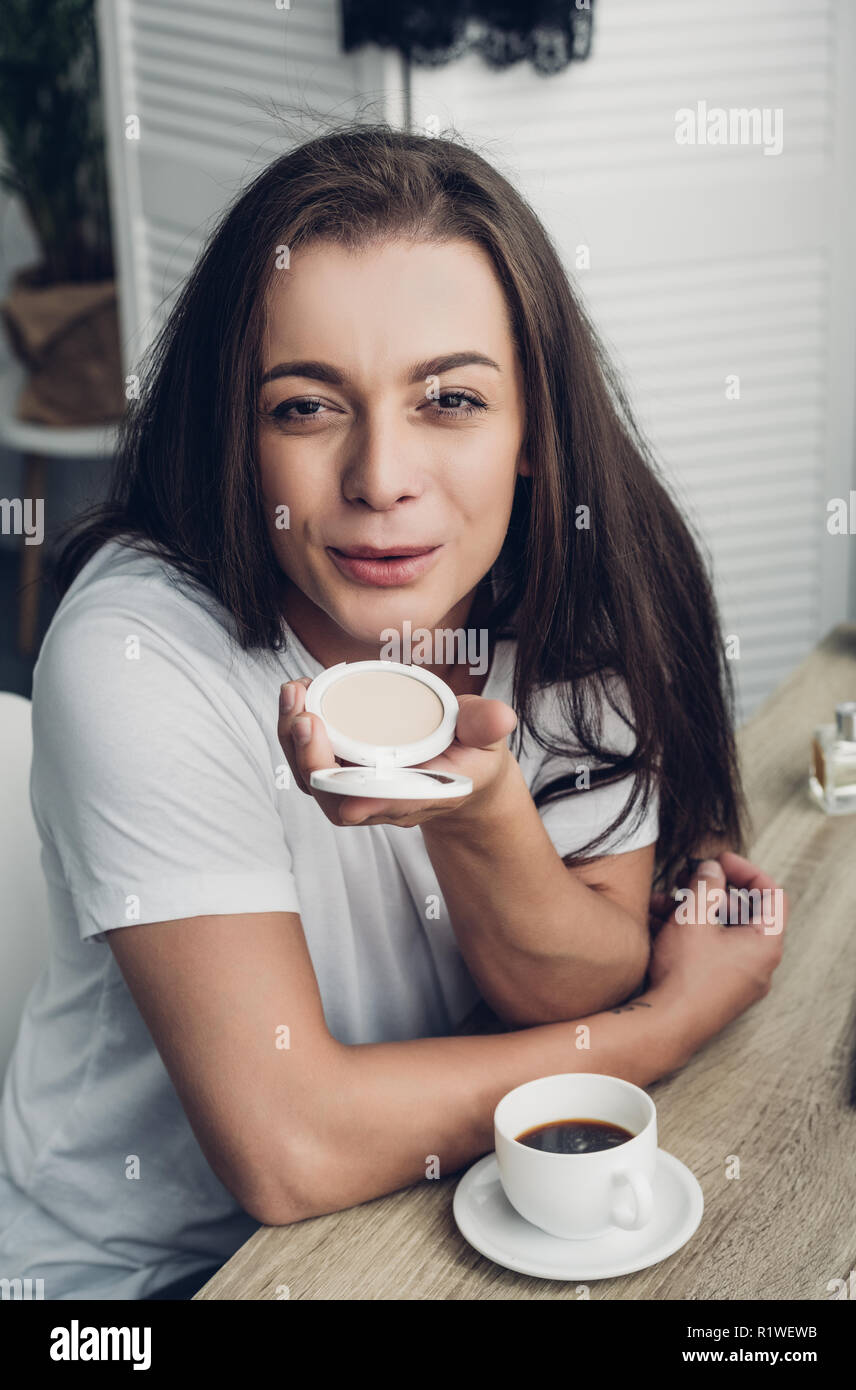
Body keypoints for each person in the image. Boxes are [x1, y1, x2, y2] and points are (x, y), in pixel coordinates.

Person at [0, 123, 786, 1300]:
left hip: (425, 1221)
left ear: (534, 434)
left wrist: (481, 820)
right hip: (152, 1286)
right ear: (237, 431)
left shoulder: (580, 590)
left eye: (451, 400)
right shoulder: (140, 650)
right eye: (308, 408)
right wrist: (667, 1026)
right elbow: (291, 1145)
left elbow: (572, 983)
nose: (381, 477)